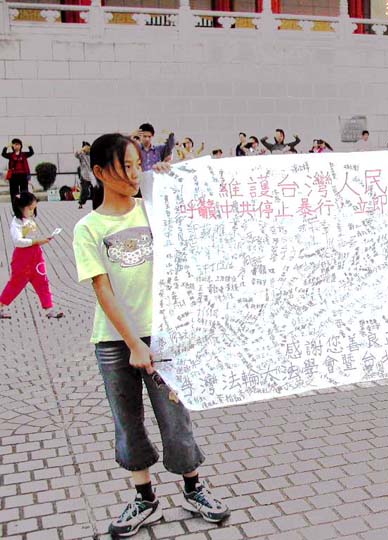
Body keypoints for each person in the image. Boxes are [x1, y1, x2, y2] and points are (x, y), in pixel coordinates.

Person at [72, 133, 230, 538]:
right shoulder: (88, 228)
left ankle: (193, 489)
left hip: (163, 337)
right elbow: (103, 290)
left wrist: (171, 182)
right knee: (127, 421)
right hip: (114, 341)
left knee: (175, 416)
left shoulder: (155, 209)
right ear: (99, 172)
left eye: (136, 164)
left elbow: (200, 223)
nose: (132, 174)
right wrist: (133, 344)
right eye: (123, 166)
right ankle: (144, 498)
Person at [0, 192, 64, 320]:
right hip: (22, 259)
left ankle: (49, 309)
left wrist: (42, 239)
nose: (32, 212)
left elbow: (32, 236)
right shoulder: (16, 222)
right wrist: (36, 241)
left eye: (34, 209)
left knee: (42, 282)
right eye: (30, 209)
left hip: (36, 257)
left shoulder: (29, 220)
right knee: (15, 284)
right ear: (20, 207)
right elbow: (18, 241)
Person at [2, 139, 34, 208]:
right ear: (13, 146)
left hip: (23, 175)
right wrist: (7, 146)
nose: (17, 146)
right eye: (15, 144)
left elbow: (31, 153)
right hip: (13, 176)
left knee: (24, 192)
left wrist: (29, 146)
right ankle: (15, 208)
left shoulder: (24, 154)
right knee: (14, 193)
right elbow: (3, 154)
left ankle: (24, 207)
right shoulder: (10, 155)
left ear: (20, 146)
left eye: (18, 144)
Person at [75, 141, 94, 210]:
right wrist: (81, 150)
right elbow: (76, 155)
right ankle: (81, 203)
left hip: (93, 175)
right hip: (84, 175)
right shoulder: (82, 155)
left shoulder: (93, 154)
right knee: (85, 190)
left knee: (96, 190)